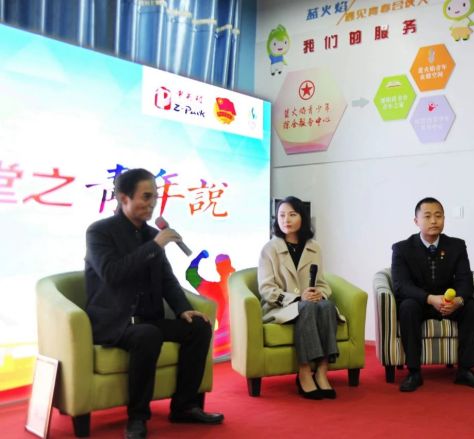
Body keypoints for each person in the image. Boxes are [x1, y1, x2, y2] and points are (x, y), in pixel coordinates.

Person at [84, 168, 223, 439]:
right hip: (115, 322)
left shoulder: (151, 235)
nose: (152, 204)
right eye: (146, 197)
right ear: (123, 198)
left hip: (148, 320)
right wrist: (155, 246)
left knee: (199, 328)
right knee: (147, 335)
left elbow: (167, 279)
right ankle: (137, 417)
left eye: (155, 197)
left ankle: (185, 406)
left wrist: (183, 309)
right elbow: (112, 274)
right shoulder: (100, 232)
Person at [391, 197, 474, 392]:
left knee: (471, 306)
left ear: (444, 218)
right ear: (416, 221)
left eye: (438, 216)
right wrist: (429, 299)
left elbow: (465, 279)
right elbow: (401, 285)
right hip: (420, 303)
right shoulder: (402, 248)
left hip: (448, 302)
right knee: (407, 307)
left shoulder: (457, 246)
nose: (434, 221)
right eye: (427, 216)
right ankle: (414, 372)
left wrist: (458, 301)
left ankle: (465, 370)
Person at [257, 196, 344, 400]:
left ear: (302, 218)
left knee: (327, 306)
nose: (286, 219)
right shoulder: (269, 249)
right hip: (281, 307)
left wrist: (319, 293)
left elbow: (321, 282)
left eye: (292, 214)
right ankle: (304, 371)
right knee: (307, 307)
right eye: (281, 215)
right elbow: (266, 289)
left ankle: (322, 371)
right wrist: (297, 298)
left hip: (310, 304)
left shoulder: (314, 247)